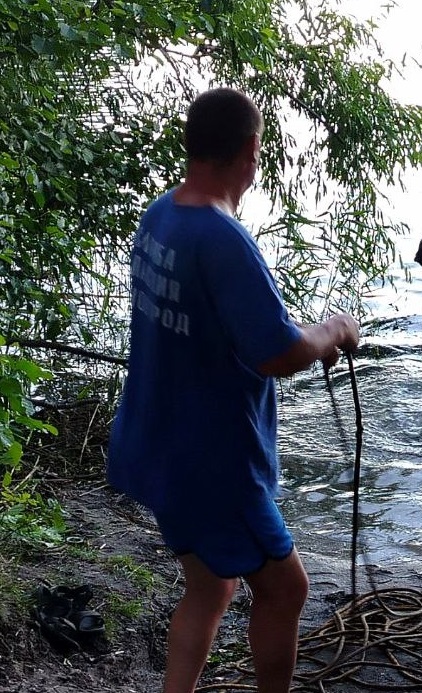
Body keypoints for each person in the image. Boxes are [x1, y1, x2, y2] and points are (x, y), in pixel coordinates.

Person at [107, 88, 360, 693]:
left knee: (212, 583)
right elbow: (279, 353)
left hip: (152, 442)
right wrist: (334, 330)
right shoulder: (223, 239)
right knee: (286, 588)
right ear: (251, 150)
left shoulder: (160, 214)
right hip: (211, 464)